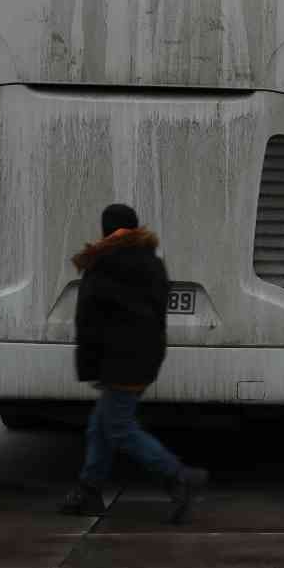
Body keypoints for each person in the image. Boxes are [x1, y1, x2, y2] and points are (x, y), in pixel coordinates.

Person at [59, 204, 208, 523]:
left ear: (106, 230)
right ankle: (89, 489)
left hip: (118, 360)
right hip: (145, 357)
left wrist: (90, 366)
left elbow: (89, 321)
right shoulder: (151, 262)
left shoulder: (103, 264)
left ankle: (178, 476)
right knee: (100, 426)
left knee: (119, 428)